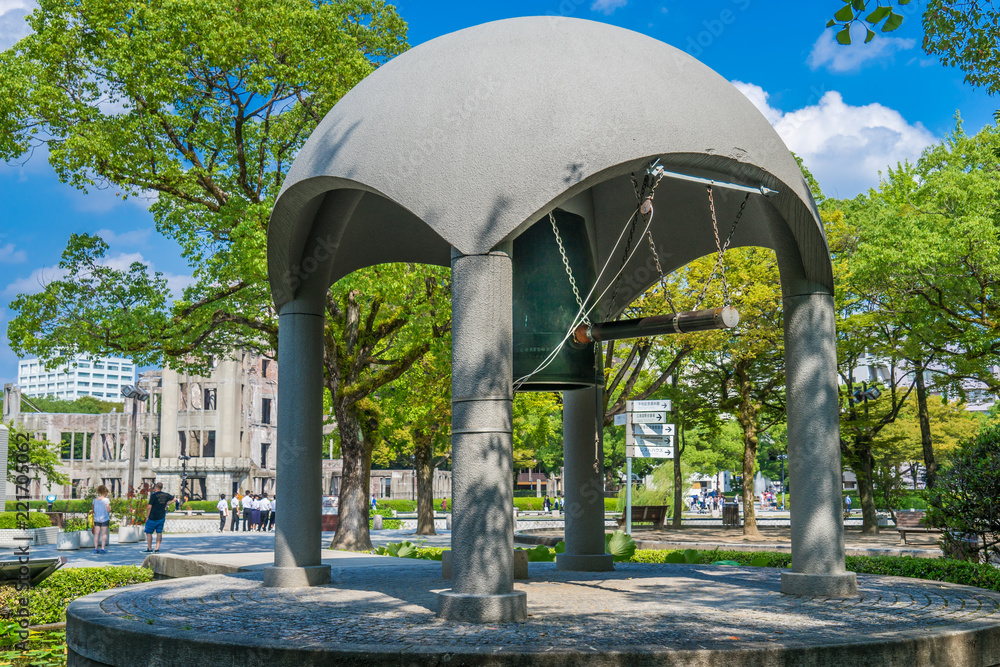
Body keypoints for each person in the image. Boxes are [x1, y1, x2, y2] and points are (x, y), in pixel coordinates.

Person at [144, 482, 175, 553]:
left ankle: (149, 548)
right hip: (161, 516)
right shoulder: (166, 495)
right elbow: (175, 499)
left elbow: (149, 507)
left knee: (149, 532)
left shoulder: (153, 495)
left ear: (155, 487)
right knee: (159, 532)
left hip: (152, 516)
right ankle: (157, 548)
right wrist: (168, 504)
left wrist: (147, 516)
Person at [92, 484, 111, 555]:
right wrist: (110, 508)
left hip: (97, 519)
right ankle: (102, 549)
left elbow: (93, 510)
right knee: (104, 534)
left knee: (96, 534)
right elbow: (108, 510)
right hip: (105, 519)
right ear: (105, 492)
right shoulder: (106, 500)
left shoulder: (94, 500)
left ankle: (95, 549)